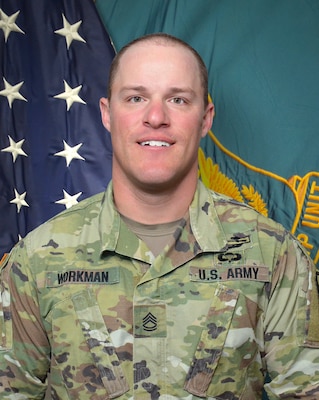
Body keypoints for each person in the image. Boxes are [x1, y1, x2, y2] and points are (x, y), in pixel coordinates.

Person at [1, 33, 319, 400]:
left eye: (178, 100)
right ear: (106, 114)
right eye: (136, 98)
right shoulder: (38, 259)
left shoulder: (273, 254)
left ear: (205, 118)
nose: (156, 118)